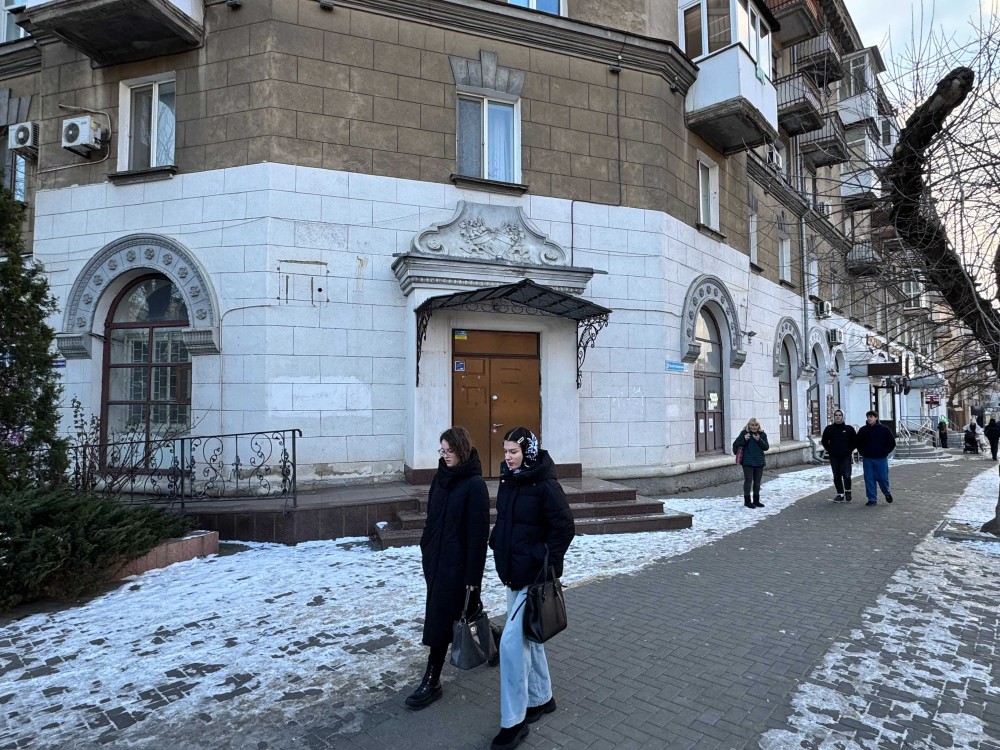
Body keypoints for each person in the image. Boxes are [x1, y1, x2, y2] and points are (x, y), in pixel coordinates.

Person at [489, 427, 575, 750]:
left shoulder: (546, 485)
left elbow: (565, 528)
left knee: (511, 646)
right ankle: (542, 698)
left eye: (514, 451)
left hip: (533, 578)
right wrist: (498, 540)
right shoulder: (510, 478)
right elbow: (507, 518)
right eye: (506, 451)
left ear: (528, 451)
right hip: (513, 573)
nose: (508, 457)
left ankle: (513, 722)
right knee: (529, 639)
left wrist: (541, 558)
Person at [405, 426, 491, 711]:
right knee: (466, 611)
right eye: (442, 451)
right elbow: (431, 518)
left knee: (442, 619)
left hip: (458, 567)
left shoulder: (474, 485)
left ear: (461, 450)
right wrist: (426, 546)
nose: (445, 456)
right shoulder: (440, 477)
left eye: (450, 451)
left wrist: (473, 577)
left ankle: (432, 680)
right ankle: (494, 643)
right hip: (435, 560)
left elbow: (478, 536)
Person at [855, 411, 896, 506]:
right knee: (869, 478)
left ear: (876, 418)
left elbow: (891, 443)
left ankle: (887, 492)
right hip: (868, 458)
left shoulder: (884, 429)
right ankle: (872, 499)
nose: (869, 418)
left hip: (881, 458)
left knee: (882, 478)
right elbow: (858, 442)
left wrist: (884, 452)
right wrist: (863, 452)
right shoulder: (863, 430)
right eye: (868, 417)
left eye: (871, 416)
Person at [821, 409, 857, 502]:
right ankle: (840, 494)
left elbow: (854, 441)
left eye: (840, 415)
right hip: (834, 456)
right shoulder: (829, 429)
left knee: (847, 475)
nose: (838, 417)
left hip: (845, 456)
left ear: (843, 416)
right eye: (836, 415)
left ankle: (848, 491)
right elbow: (824, 441)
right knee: (836, 475)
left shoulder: (849, 429)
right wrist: (830, 450)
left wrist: (849, 451)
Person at [733, 418, 769, 508]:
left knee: (757, 482)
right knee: (748, 481)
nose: (754, 427)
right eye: (752, 425)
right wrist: (744, 439)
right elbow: (736, 445)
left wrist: (759, 439)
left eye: (756, 425)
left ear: (759, 426)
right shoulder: (744, 433)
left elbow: (766, 447)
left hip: (759, 461)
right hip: (747, 461)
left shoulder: (762, 434)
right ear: (748, 425)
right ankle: (747, 501)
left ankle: (756, 501)